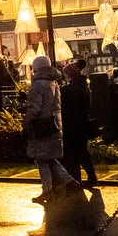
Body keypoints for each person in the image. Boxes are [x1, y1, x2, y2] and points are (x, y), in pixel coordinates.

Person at [25, 55, 79, 204]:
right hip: (53, 125)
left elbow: (35, 108)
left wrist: (27, 121)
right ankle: (69, 182)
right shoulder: (53, 82)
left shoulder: (38, 85)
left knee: (42, 159)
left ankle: (49, 190)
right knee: (49, 158)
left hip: (41, 126)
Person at [60, 60, 97, 187]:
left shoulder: (69, 90)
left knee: (74, 153)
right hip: (81, 123)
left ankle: (77, 179)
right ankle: (91, 177)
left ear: (70, 75)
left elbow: (66, 107)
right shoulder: (83, 86)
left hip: (72, 125)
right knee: (82, 152)